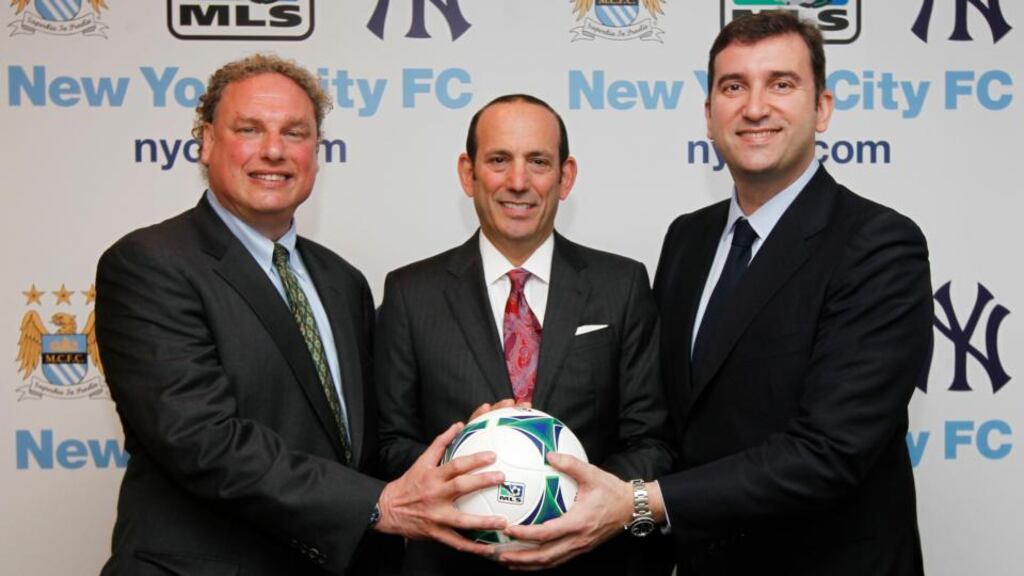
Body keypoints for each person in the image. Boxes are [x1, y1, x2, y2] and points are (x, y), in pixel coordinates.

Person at [500, 12, 932, 576]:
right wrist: (521, 441)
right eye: (733, 87)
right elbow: (662, 414)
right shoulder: (689, 238)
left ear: (822, 108)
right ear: (709, 115)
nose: (754, 108)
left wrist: (637, 503)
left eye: (781, 84)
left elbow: (829, 452)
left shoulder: (877, 245)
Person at [95, 54, 506, 576]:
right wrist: (376, 506)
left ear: (316, 150)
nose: (274, 150)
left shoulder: (342, 281)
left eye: (295, 132)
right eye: (249, 129)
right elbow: (201, 440)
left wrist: (478, 446)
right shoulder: (150, 264)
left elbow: (364, 441)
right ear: (207, 141)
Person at [374, 94, 675, 575]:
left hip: (594, 563)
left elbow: (651, 441)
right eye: (499, 160)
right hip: (455, 564)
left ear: (565, 176)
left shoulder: (621, 285)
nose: (518, 181)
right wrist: (463, 463)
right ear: (468, 173)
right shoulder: (410, 293)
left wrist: (574, 503)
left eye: (538, 161)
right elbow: (390, 441)